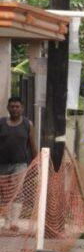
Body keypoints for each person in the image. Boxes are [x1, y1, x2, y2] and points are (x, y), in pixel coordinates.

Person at [0, 97, 37, 231]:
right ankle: (7, 221)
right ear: (8, 108)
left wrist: (36, 162)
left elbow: (32, 145)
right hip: (2, 164)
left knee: (17, 191)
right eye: (12, 106)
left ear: (22, 108)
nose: (15, 109)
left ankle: (14, 222)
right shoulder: (1, 123)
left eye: (17, 107)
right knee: (5, 193)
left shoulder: (28, 124)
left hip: (20, 164)